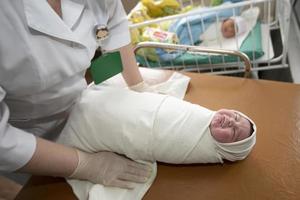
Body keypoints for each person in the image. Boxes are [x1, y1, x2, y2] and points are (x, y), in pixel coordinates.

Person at [0, 1, 153, 199]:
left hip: (80, 110)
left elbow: (113, 21)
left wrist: (137, 86)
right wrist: (86, 165)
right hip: (28, 141)